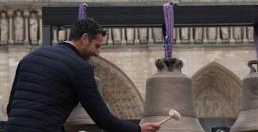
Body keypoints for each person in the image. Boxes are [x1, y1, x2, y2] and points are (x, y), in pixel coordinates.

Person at [5, 18, 160, 132]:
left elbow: (11, 106)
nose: (98, 53)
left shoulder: (32, 56)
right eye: (97, 46)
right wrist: (137, 129)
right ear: (84, 39)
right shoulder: (81, 68)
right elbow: (103, 119)